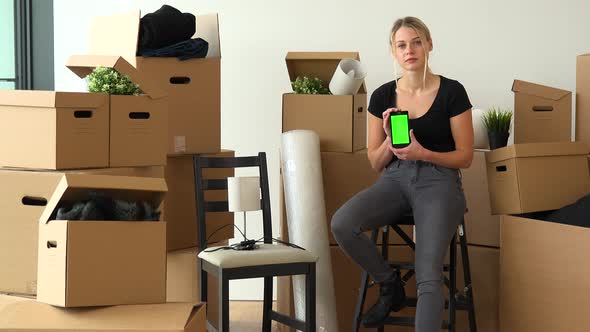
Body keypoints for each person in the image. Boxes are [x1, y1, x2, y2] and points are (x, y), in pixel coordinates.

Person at [331, 16, 474, 331]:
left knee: (428, 276)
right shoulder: (382, 96)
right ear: (393, 52)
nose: (409, 50)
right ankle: (389, 284)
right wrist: (388, 141)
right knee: (343, 223)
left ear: (429, 45)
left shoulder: (452, 92)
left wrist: (423, 152)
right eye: (401, 45)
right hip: (395, 180)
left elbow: (466, 157)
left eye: (416, 42)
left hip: (440, 181)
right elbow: (375, 162)